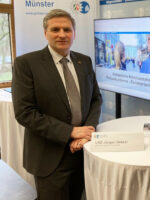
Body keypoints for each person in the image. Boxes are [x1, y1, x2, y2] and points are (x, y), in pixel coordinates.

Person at [12, 9, 102, 200]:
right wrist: (70, 132)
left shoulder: (84, 62)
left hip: (82, 150)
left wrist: (88, 131)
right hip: (50, 157)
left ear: (74, 33)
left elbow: (96, 99)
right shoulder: (26, 64)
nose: (62, 34)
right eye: (55, 29)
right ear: (45, 33)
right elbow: (25, 113)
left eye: (67, 29)